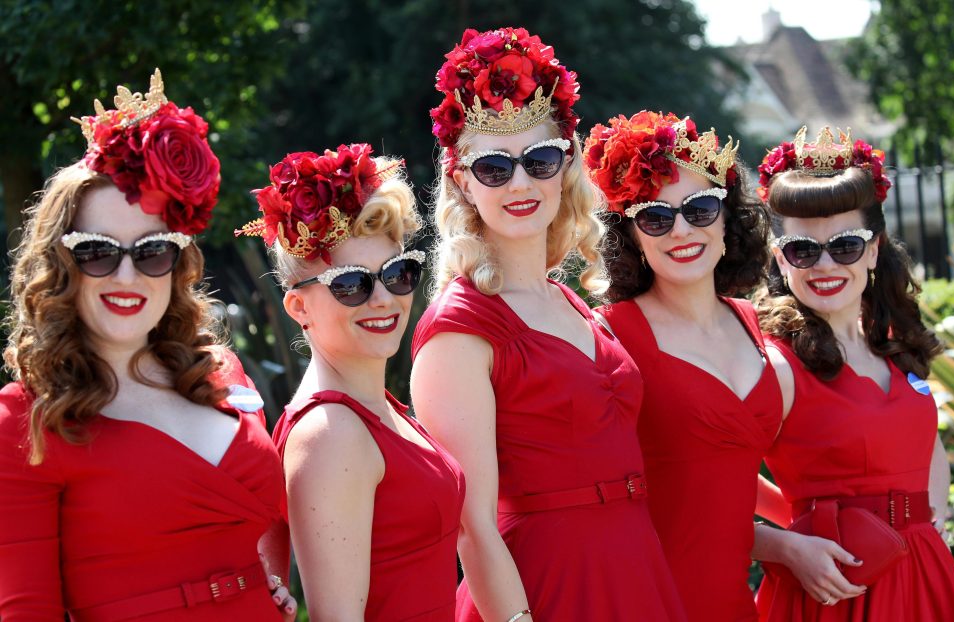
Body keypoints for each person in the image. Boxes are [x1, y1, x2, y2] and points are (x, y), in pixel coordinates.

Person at [411, 27, 687, 622]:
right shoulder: (459, 328)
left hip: (636, 570)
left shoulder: (572, 301)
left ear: (564, 166)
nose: (520, 183)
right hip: (544, 586)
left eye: (539, 160)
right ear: (461, 179)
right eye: (493, 167)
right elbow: (471, 524)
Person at [0, 70, 295, 620]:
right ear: (63, 265)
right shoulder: (24, 419)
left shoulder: (221, 373)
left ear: (178, 263)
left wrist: (260, 586)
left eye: (153, 251)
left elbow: (264, 531)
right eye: (97, 252)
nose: (128, 276)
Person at [237, 143, 465, 621]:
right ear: (299, 308)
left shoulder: (374, 408)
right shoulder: (331, 435)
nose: (383, 299)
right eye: (350, 284)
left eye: (398, 274)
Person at [752, 126, 954, 620]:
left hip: (926, 572)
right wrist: (789, 544)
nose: (825, 264)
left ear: (873, 248)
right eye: (803, 249)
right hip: (839, 588)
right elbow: (708, 491)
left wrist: (930, 527)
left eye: (845, 245)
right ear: (781, 258)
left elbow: (926, 453)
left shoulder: (894, 343)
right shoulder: (773, 364)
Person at [586, 111, 781, 622]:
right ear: (631, 235)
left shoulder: (750, 321)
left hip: (731, 597)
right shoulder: (609, 335)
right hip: (648, 597)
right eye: (655, 216)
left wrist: (805, 525)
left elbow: (719, 464)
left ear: (727, 217)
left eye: (700, 208)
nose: (681, 231)